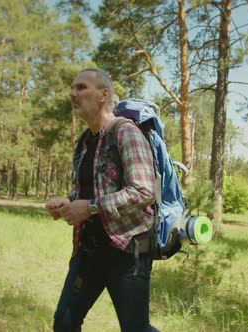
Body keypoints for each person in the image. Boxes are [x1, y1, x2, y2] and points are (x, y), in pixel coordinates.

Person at [45, 68, 159, 332]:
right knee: (64, 323)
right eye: (72, 87)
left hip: (127, 251)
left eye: (82, 87)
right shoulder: (84, 142)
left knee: (136, 328)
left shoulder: (126, 133)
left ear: (103, 95)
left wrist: (90, 207)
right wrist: (67, 203)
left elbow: (144, 192)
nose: (73, 93)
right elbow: (88, 193)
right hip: (89, 250)